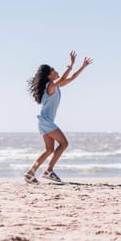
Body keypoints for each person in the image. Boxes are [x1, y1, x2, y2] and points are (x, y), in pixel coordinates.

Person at [24, 51, 93, 183]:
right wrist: (71, 64)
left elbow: (71, 78)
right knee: (64, 143)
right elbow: (61, 79)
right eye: (54, 70)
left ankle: (30, 172)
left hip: (43, 122)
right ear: (49, 75)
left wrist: (83, 66)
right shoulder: (50, 86)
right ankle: (48, 170)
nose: (56, 71)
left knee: (49, 149)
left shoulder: (53, 86)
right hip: (46, 122)